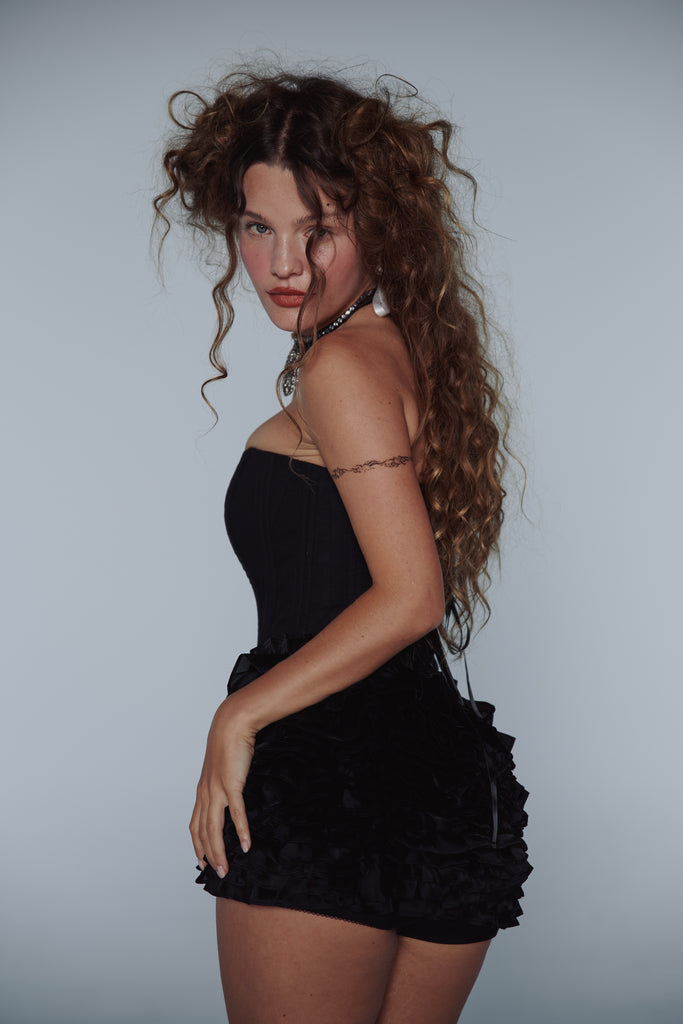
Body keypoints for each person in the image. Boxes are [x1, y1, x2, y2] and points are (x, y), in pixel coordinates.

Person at [154, 67, 531, 1024]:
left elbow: (411, 596)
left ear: (379, 224)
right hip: (442, 790)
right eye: (258, 227)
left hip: (330, 783)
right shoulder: (400, 348)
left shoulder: (338, 367)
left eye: (319, 229)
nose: (285, 262)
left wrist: (237, 717)